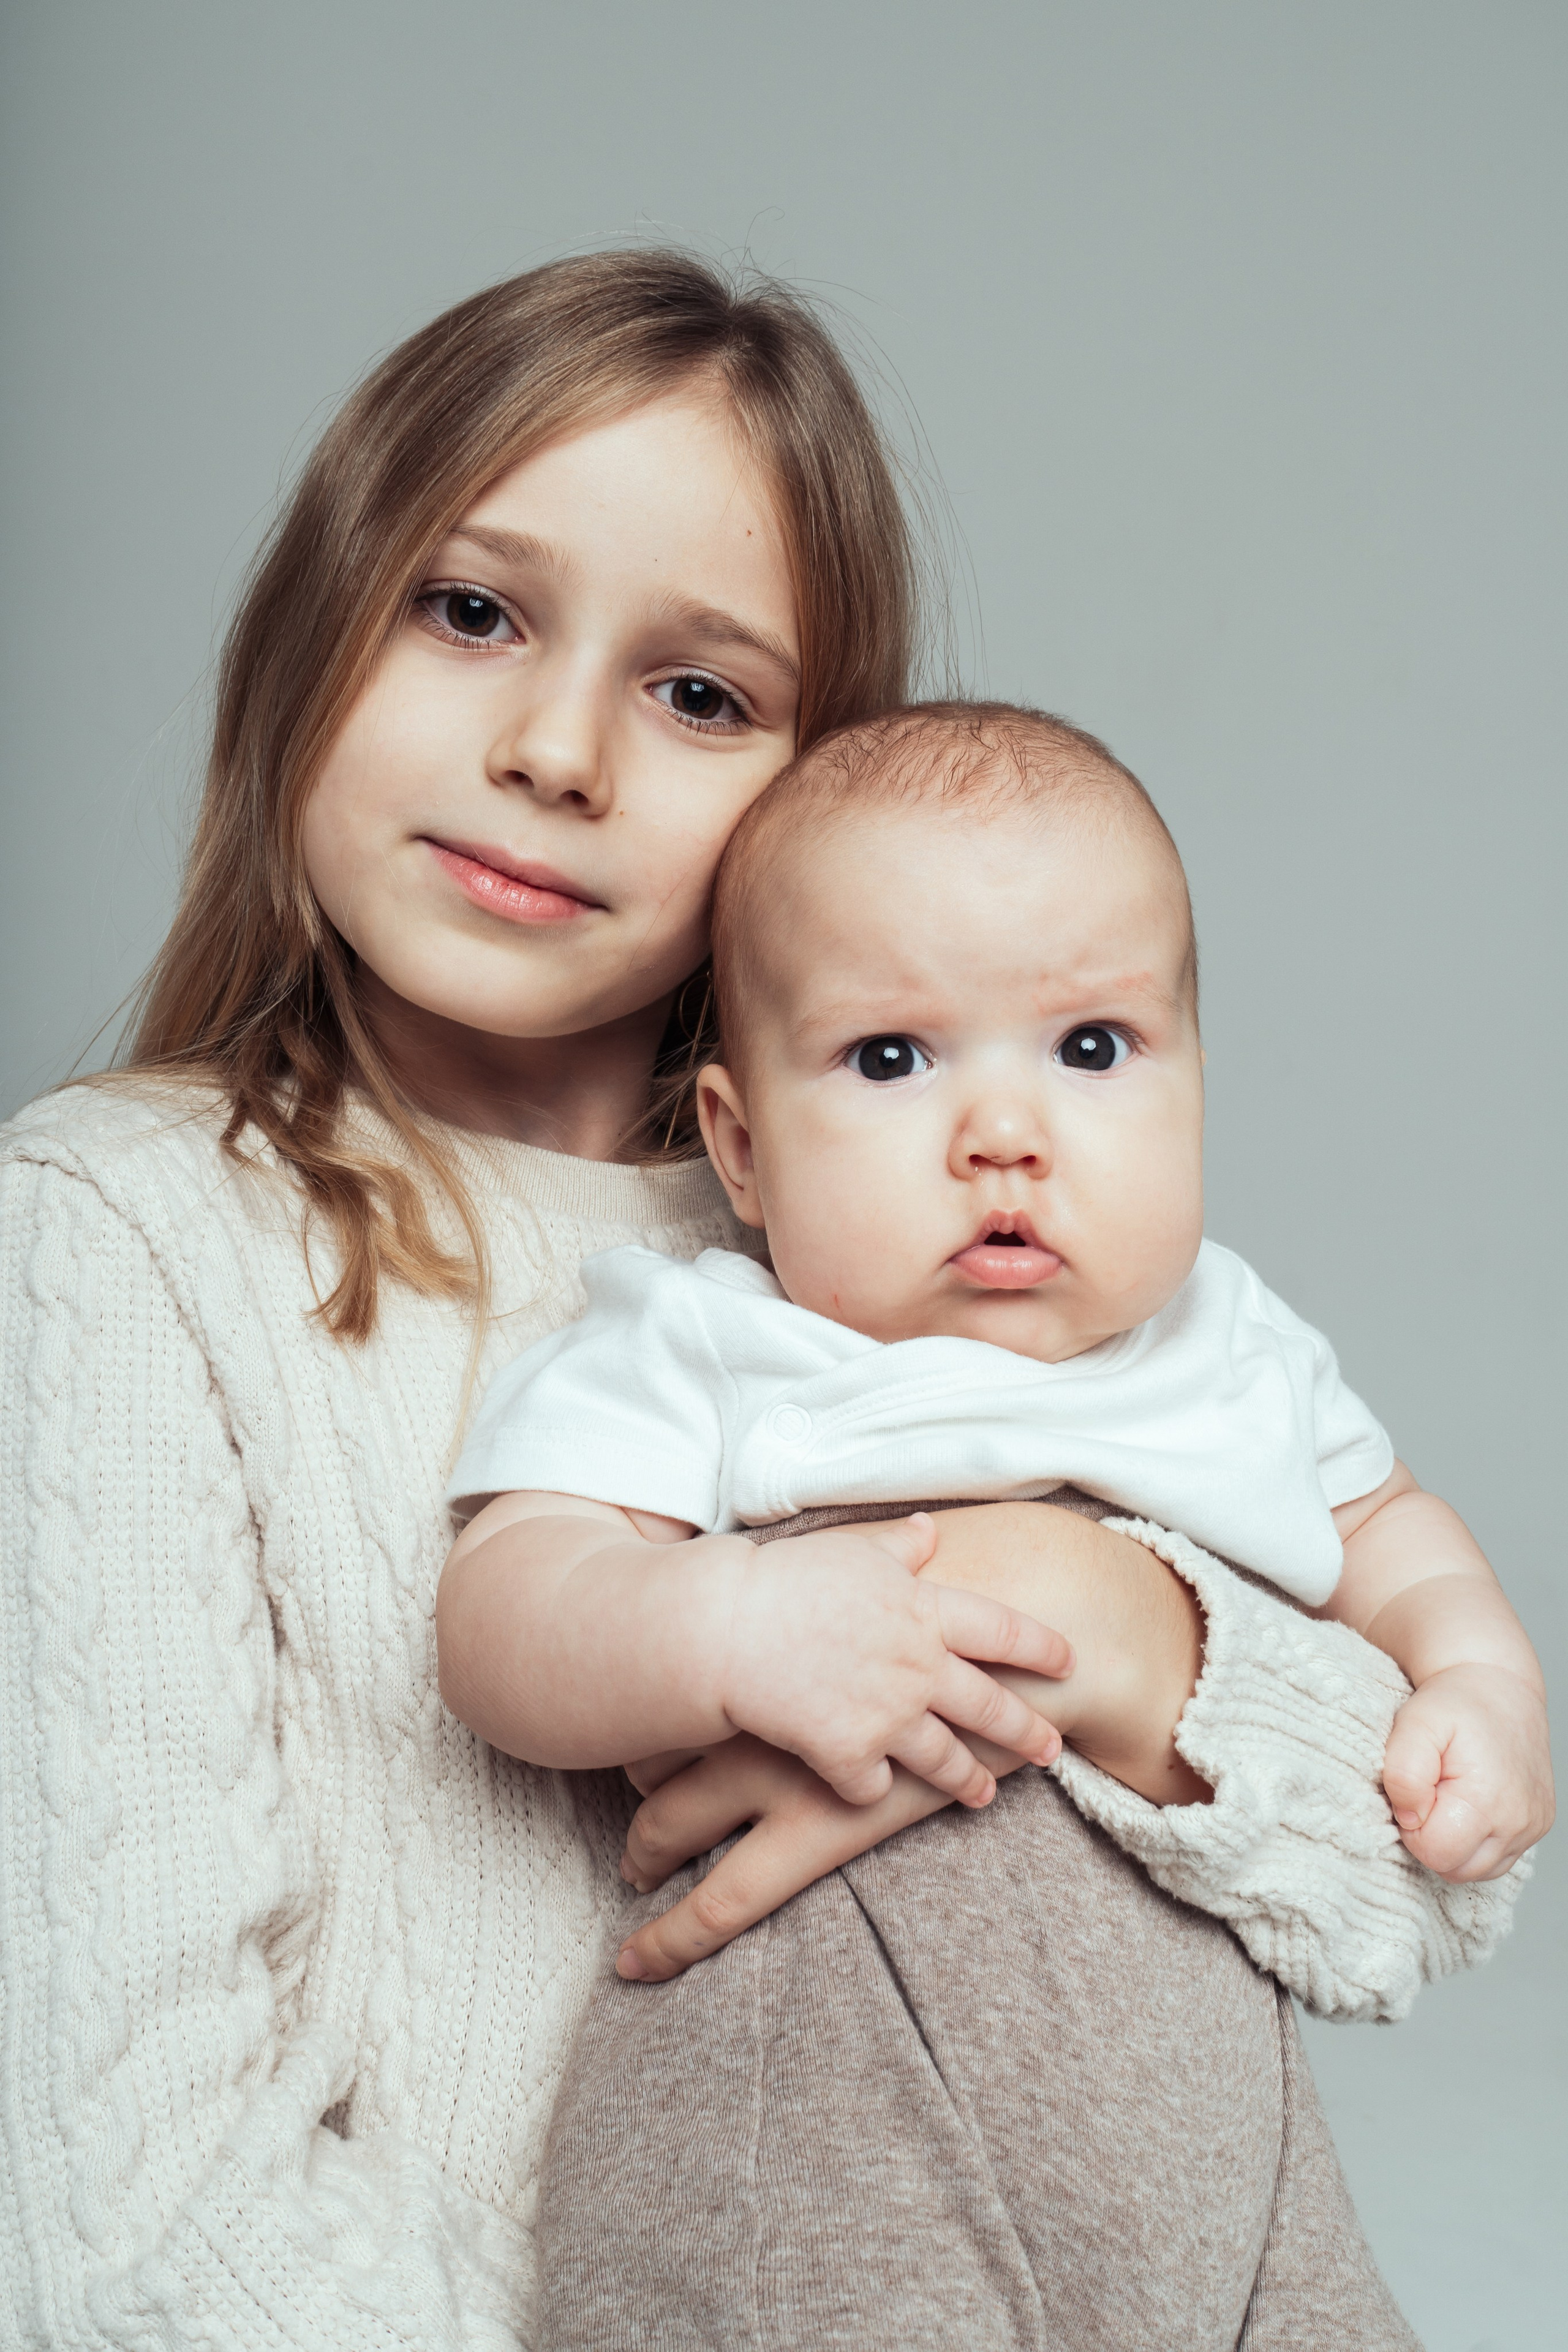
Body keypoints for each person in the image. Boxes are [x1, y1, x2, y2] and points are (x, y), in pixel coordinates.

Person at [0, 251, 1508, 2351]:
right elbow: (132, 2228)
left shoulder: (887, 1233)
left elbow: (1423, 1882)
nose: (554, 751)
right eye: (471, 610)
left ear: (817, 797)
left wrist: (1081, 1606)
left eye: (700, 694)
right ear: (309, 625)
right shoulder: (112, 1246)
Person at [434, 703, 1545, 2347]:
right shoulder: (724, 1344)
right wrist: (733, 1625)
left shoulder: (1226, 1351)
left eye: (1092, 1048)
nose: (1005, 1135)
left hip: (1222, 2140)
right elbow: (504, 1610)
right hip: (829, 2140)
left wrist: (1479, 1678)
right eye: (893, 1059)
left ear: (1195, 1088)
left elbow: (1389, 1531)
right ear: (741, 1150)